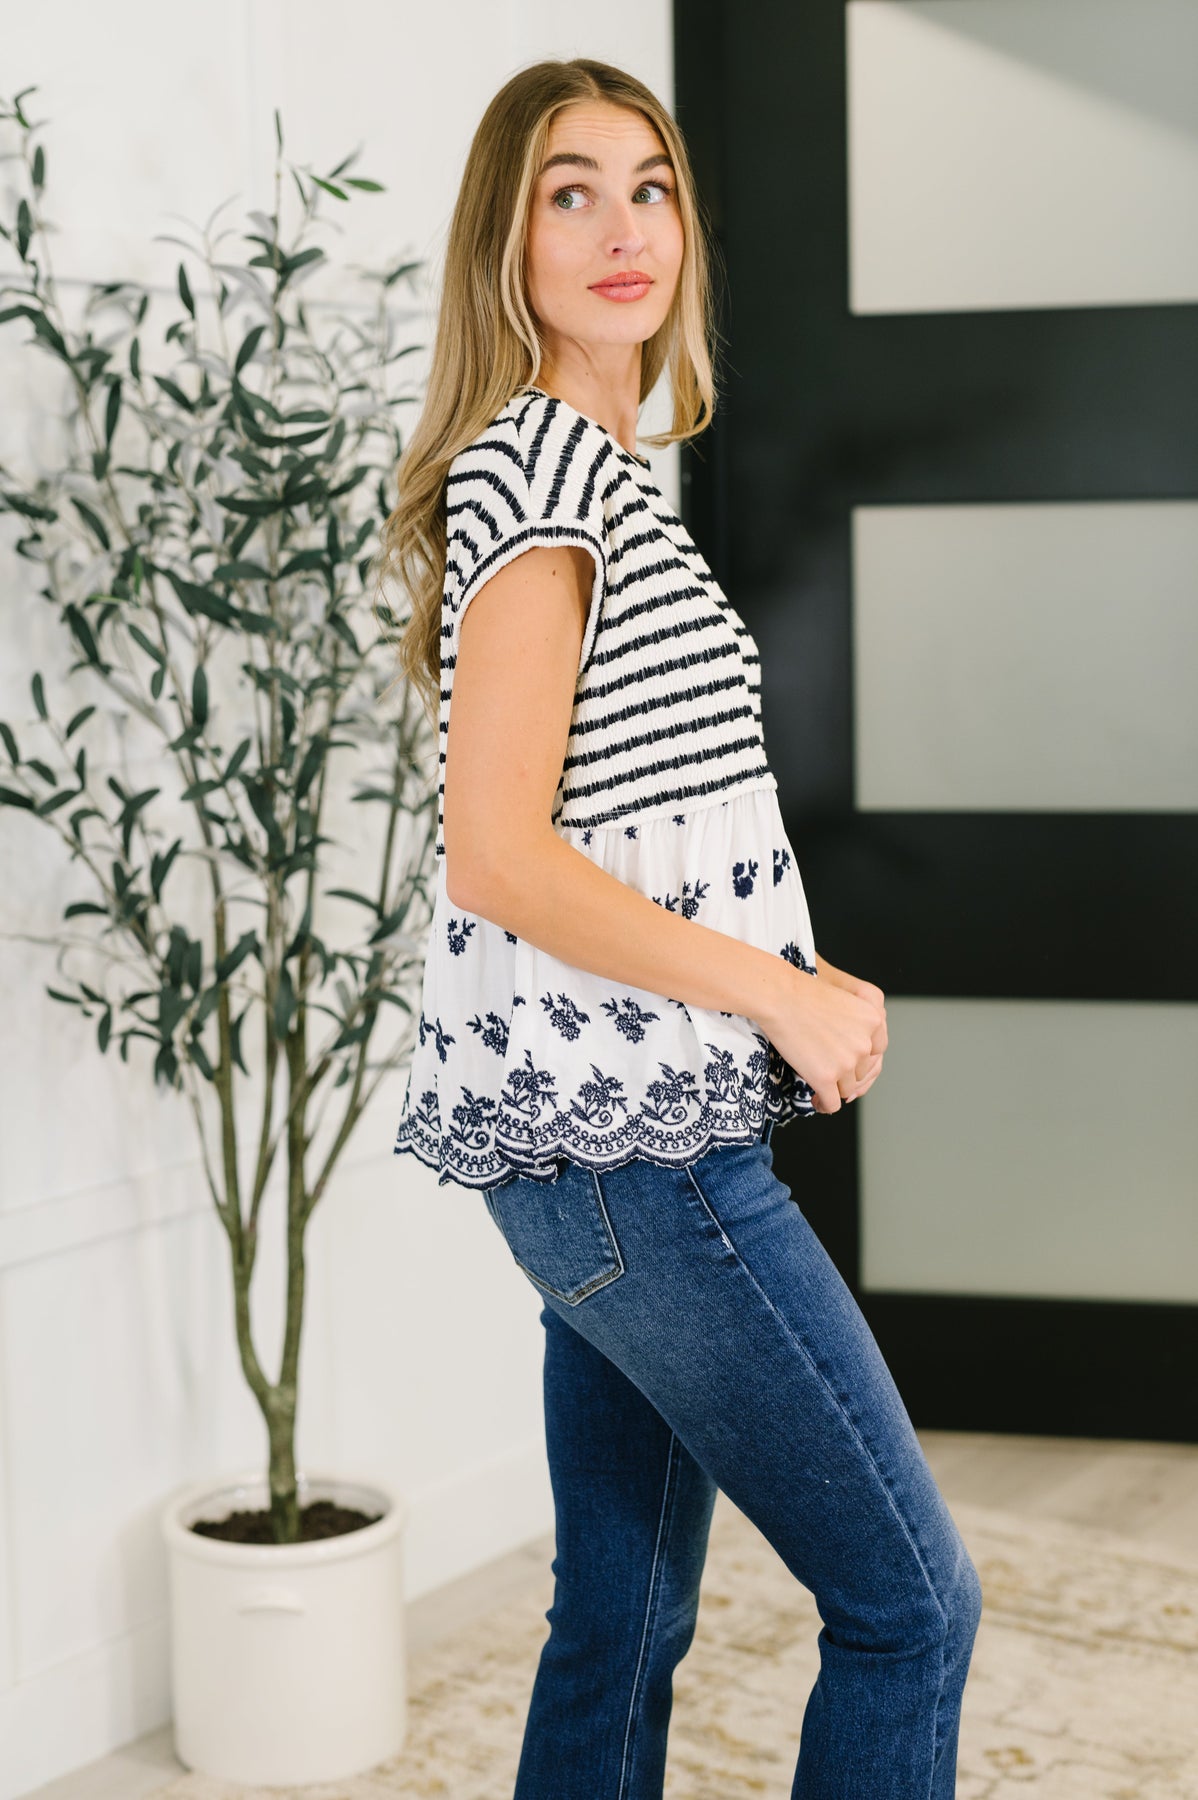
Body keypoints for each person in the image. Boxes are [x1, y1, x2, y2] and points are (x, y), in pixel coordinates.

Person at [378, 56, 982, 1800]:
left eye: (648, 186)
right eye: (567, 192)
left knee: (618, 1619)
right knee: (910, 1608)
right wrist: (776, 1000)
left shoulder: (595, 472)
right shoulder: (543, 481)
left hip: (604, 1158)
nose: (622, 226)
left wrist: (782, 975)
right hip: (639, 1172)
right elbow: (497, 858)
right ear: (503, 243)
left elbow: (630, 823)